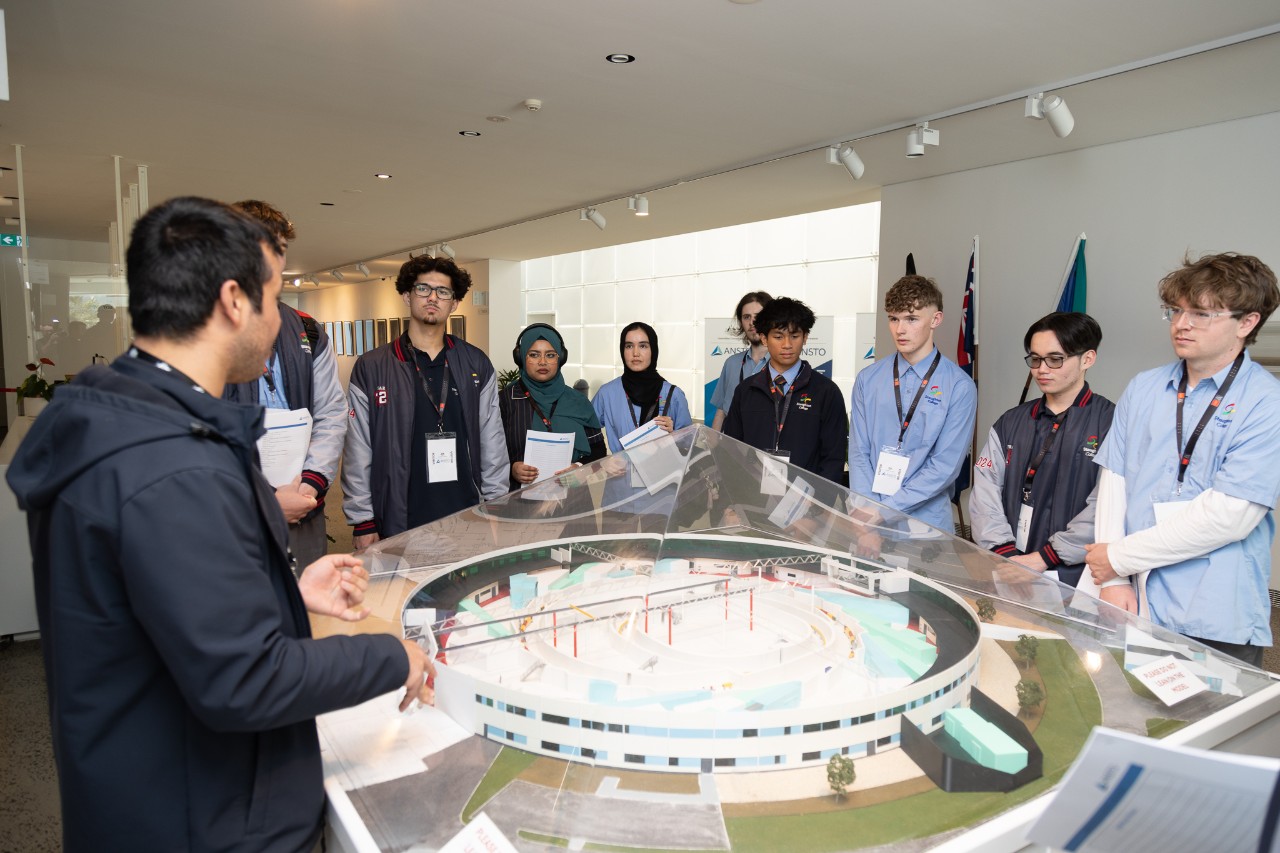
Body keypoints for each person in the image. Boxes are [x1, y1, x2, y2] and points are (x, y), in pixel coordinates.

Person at [5, 196, 434, 853]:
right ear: (235, 301)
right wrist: (391, 654)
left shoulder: (127, 422)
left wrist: (284, 590)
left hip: (149, 800)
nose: (278, 320)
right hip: (201, 820)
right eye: (272, 298)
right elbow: (244, 679)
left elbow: (159, 608)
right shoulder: (174, 465)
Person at [1086, 253, 1280, 667]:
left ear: (1246, 323)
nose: (1181, 323)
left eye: (1202, 314)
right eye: (1175, 310)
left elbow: (1231, 515)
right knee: (1129, 715)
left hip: (1212, 607)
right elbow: (1114, 479)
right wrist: (1115, 577)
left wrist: (1118, 557)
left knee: (1213, 724)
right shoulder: (1145, 387)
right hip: (1132, 592)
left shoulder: (1266, 403)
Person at [343, 255, 508, 549]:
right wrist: (362, 520)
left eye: (443, 291)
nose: (433, 297)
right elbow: (358, 449)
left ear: (454, 303)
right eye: (423, 289)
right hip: (399, 517)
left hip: (467, 514)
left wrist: (495, 507)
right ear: (407, 295)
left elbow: (492, 439)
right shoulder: (372, 366)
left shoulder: (476, 363)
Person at [223, 200, 346, 568]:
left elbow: (332, 413)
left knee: (306, 607)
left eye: (280, 249)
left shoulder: (308, 329)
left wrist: (308, 485)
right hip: (233, 512)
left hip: (303, 501)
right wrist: (264, 501)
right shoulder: (205, 329)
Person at [969, 312, 1114, 588]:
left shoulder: (1111, 424)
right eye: (1035, 359)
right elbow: (984, 492)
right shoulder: (1010, 422)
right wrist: (1004, 552)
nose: (1041, 369)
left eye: (1055, 359)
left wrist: (1047, 556)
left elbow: (1107, 505)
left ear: (1088, 359)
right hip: (1008, 565)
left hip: (1075, 575)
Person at [849, 275, 977, 531]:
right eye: (893, 319)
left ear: (936, 320)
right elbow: (858, 451)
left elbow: (944, 467)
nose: (900, 329)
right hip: (868, 519)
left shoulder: (960, 387)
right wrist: (867, 509)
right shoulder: (868, 379)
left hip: (926, 525)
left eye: (911, 318)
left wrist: (884, 512)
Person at [722, 297, 848, 483]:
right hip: (751, 501)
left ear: (805, 337)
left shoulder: (826, 392)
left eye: (795, 336)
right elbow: (731, 451)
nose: (787, 344)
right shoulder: (745, 390)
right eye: (778, 336)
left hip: (805, 504)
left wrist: (814, 508)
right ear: (764, 338)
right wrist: (733, 502)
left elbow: (833, 458)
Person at [592, 322, 693, 516]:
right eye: (629, 346)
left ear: (653, 350)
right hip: (618, 496)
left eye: (643, 346)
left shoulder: (673, 394)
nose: (635, 353)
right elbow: (586, 434)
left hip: (661, 498)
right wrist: (601, 461)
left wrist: (674, 435)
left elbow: (690, 448)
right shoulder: (607, 393)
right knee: (615, 547)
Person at [501, 323, 606, 490]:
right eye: (534, 355)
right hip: (520, 503)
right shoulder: (506, 400)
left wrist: (579, 468)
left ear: (560, 358)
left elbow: (599, 450)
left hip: (573, 501)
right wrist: (511, 469)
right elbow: (488, 454)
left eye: (550, 355)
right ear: (521, 358)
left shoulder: (577, 400)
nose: (543, 362)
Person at [710, 290, 772, 430]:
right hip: (731, 446)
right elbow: (721, 411)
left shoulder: (783, 365)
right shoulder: (732, 363)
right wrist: (713, 447)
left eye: (758, 316)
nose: (752, 322)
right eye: (746, 317)